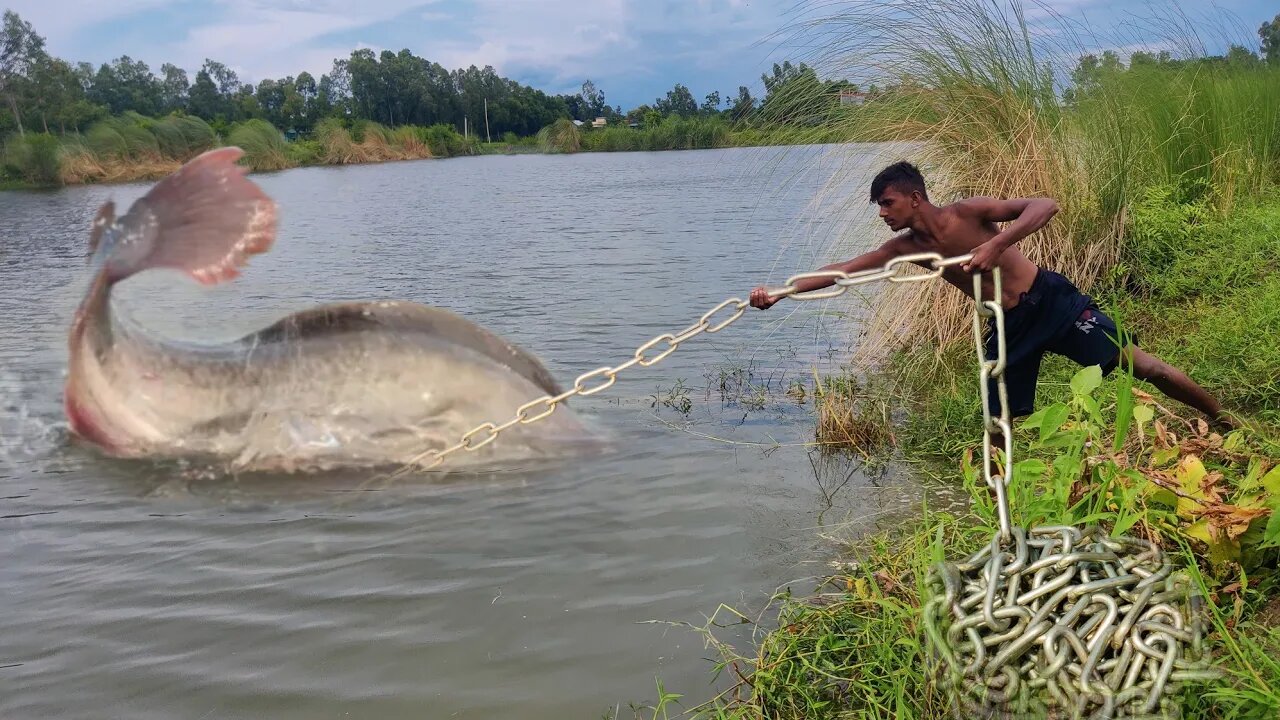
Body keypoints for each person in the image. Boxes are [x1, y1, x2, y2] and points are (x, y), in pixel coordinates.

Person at [748, 161, 1232, 430]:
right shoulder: (904, 249)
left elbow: (1045, 205)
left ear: (915, 197)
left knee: (1143, 366)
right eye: (878, 206)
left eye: (887, 203)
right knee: (999, 422)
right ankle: (1005, 501)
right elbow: (842, 271)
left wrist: (997, 241)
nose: (882, 213)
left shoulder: (969, 212)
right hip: (1007, 324)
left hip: (1051, 301)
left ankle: (1224, 418)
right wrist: (780, 292)